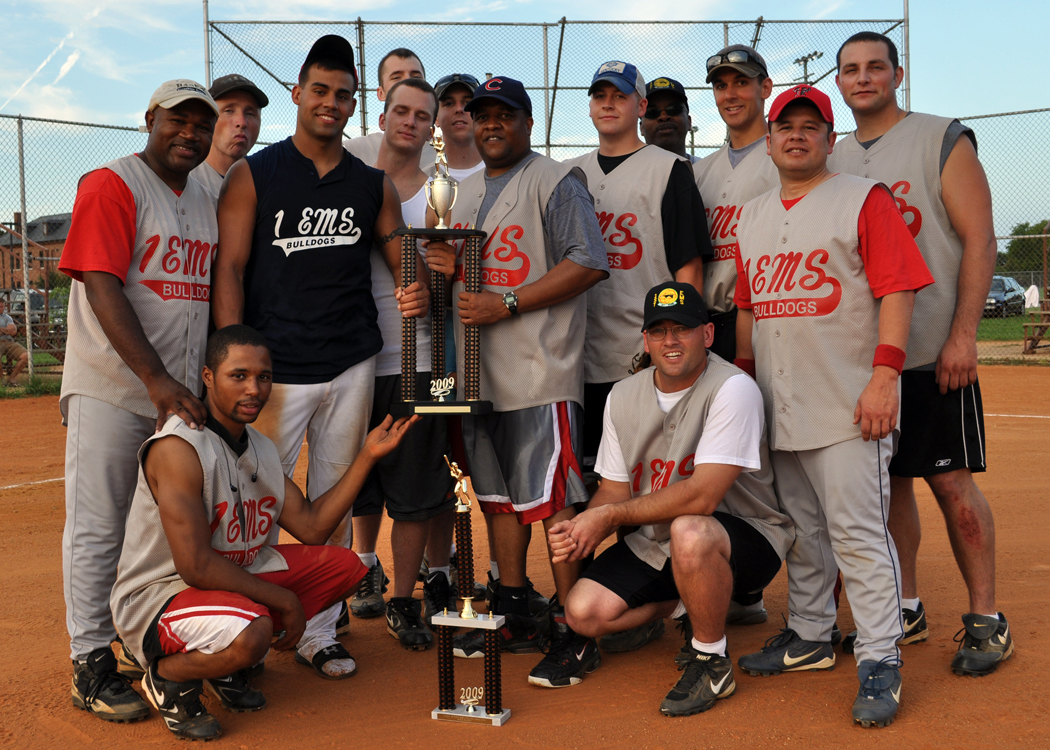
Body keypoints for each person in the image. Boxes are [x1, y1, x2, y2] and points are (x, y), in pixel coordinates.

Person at [212, 34, 429, 679]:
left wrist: (419, 276)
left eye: (343, 95)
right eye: (320, 91)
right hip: (275, 369)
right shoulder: (257, 173)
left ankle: (320, 630)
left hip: (351, 360)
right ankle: (241, 623)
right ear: (298, 93)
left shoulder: (372, 183)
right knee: (252, 502)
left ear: (354, 102)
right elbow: (230, 264)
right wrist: (232, 356)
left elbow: (402, 262)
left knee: (335, 496)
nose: (330, 103)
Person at [733, 84, 933, 728]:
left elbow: (898, 289)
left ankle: (879, 655)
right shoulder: (752, 215)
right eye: (784, 126)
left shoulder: (862, 200)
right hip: (779, 402)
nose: (796, 135)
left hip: (850, 401)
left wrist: (885, 377)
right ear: (768, 142)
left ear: (828, 138)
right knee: (803, 532)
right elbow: (747, 307)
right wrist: (743, 384)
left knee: (857, 533)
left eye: (809, 126)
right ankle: (812, 636)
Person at [110, 325, 418, 740]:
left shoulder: (260, 447)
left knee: (345, 567)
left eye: (264, 376)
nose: (253, 388)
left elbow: (312, 527)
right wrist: (283, 601)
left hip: (228, 583)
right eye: (238, 376)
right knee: (254, 630)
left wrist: (366, 457)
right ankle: (168, 677)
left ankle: (224, 662)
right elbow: (195, 565)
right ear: (208, 378)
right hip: (160, 595)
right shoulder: (178, 449)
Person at [829, 32, 1010, 677]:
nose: (863, 77)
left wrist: (964, 334)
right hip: (869, 357)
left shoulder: (941, 137)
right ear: (840, 81)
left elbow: (980, 238)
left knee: (951, 482)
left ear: (896, 74)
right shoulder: (835, 152)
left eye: (875, 66)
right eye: (850, 69)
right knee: (889, 486)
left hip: (934, 349)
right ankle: (904, 606)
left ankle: (986, 617)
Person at [424, 76, 609, 687]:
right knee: (500, 499)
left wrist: (506, 302)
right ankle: (513, 602)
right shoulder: (461, 190)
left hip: (538, 370)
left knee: (552, 504)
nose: (492, 124)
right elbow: (456, 282)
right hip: (477, 376)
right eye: (483, 115)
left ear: (528, 123)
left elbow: (587, 262)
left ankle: (576, 628)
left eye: (505, 114)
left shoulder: (556, 181)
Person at [548, 282, 793, 713]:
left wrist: (609, 519)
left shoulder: (733, 388)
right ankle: (687, 602)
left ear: (708, 334)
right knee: (583, 612)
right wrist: (585, 523)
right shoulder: (623, 395)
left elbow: (702, 497)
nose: (670, 341)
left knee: (691, 530)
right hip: (658, 542)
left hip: (747, 535)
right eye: (659, 331)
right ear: (645, 340)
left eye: (682, 328)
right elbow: (614, 490)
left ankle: (711, 659)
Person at [57, 79, 218, 723]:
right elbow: (102, 284)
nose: (190, 133)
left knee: (158, 528)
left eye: (201, 125)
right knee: (100, 523)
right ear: (149, 119)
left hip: (176, 394)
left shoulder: (206, 193)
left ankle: (142, 639)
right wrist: (157, 381)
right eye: (178, 120)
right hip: (114, 385)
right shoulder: (111, 184)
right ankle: (90, 658)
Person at [343, 78, 457, 651]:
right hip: (355, 360)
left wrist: (435, 283)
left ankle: (404, 600)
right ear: (383, 116)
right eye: (401, 111)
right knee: (351, 481)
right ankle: (352, 575)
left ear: (432, 126)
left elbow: (452, 285)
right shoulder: (354, 184)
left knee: (415, 489)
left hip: (422, 360)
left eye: (422, 115)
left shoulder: (443, 192)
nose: (410, 122)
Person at [565, 61, 712, 491]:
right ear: (590, 107)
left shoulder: (669, 169)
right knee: (586, 484)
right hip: (576, 355)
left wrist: (676, 347)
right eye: (600, 96)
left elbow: (689, 268)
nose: (608, 104)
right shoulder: (569, 173)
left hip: (641, 354)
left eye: (620, 96)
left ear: (639, 105)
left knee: (646, 484)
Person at [693, 45, 779, 367]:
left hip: (764, 321)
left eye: (741, 82)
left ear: (765, 88)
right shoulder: (700, 172)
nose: (729, 94)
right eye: (720, 86)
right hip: (706, 323)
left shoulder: (785, 160)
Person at [344, 47, 435, 169]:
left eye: (416, 77)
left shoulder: (441, 158)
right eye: (396, 77)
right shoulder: (352, 152)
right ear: (381, 93)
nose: (407, 82)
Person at [190, 74, 268, 202]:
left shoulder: (266, 183)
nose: (242, 122)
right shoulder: (185, 180)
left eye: (250, 113)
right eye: (229, 111)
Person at [434, 73, 485, 180]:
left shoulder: (506, 171)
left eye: (468, 102)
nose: (459, 109)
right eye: (448, 103)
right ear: (436, 118)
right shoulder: (423, 178)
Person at [638, 76, 698, 163]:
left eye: (674, 109)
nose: (664, 117)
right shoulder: (626, 173)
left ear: (689, 122)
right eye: (652, 112)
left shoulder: (708, 173)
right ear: (641, 128)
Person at [0, 298, 28, 386]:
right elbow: (9, 330)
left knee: (26, 355)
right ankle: (1, 382)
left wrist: (1, 330)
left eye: (2, 306)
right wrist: (6, 330)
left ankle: (11, 379)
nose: (1, 308)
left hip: (8, 341)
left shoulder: (7, 317)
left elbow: (13, 331)